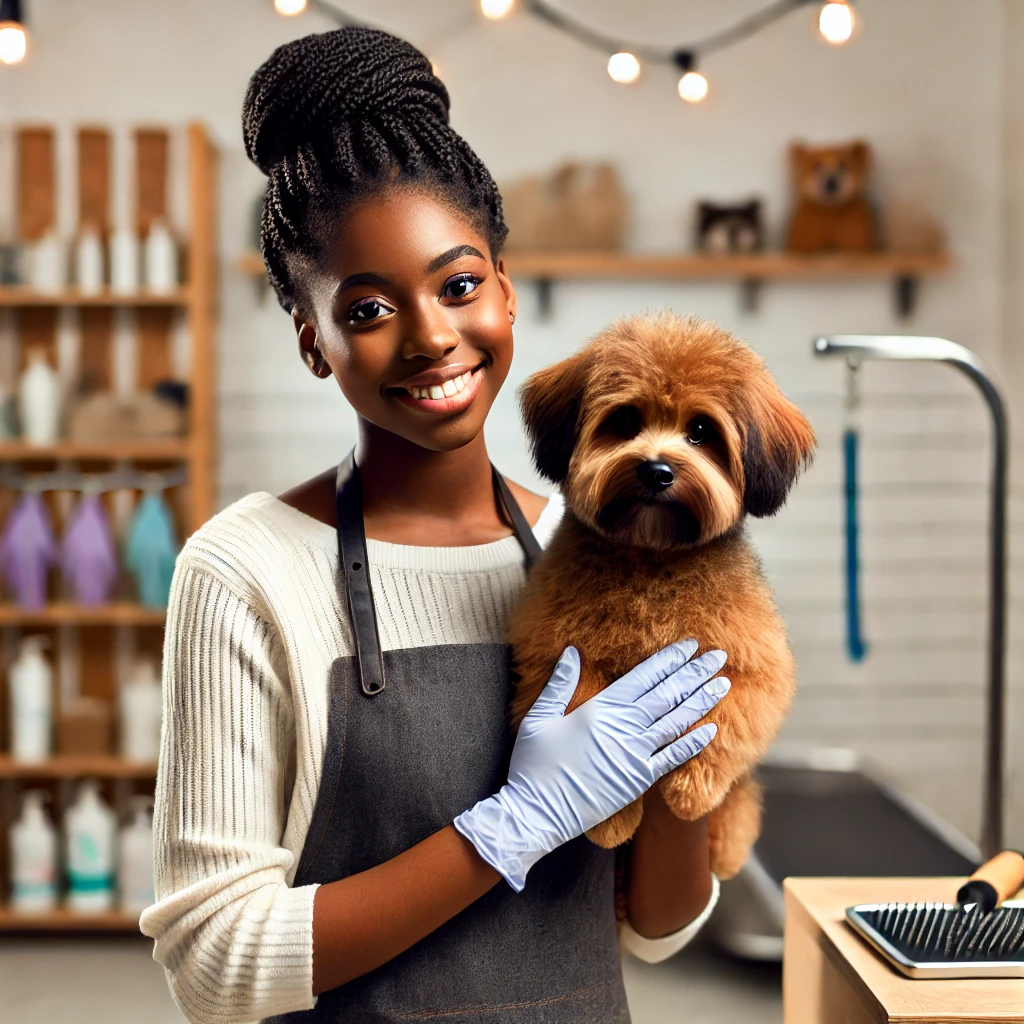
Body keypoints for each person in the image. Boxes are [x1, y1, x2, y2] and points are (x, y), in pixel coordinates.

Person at [140, 25, 731, 1024]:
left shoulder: (600, 551)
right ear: (312, 341)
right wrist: (517, 823)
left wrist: (689, 766)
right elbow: (215, 961)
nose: (429, 337)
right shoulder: (244, 570)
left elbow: (653, 929)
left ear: (503, 289)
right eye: (366, 309)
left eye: (458, 285)